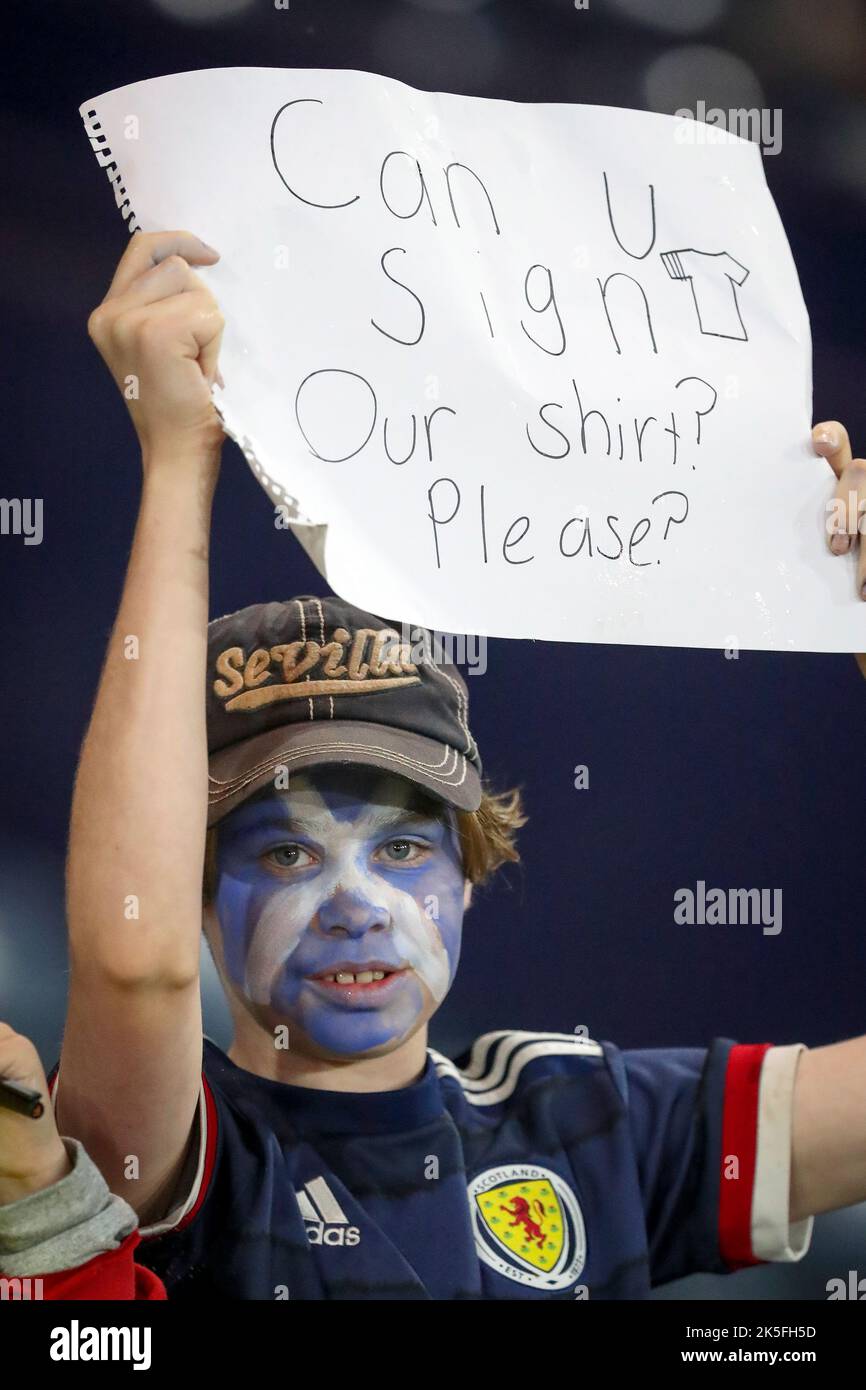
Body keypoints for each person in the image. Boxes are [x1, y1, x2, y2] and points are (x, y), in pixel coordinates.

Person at [2, 230, 866, 1301]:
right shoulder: (177, 1149)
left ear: (468, 870)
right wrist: (178, 463)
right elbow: (135, 963)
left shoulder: (589, 1122)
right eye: (284, 854)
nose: (354, 906)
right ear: (196, 903)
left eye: (404, 845)